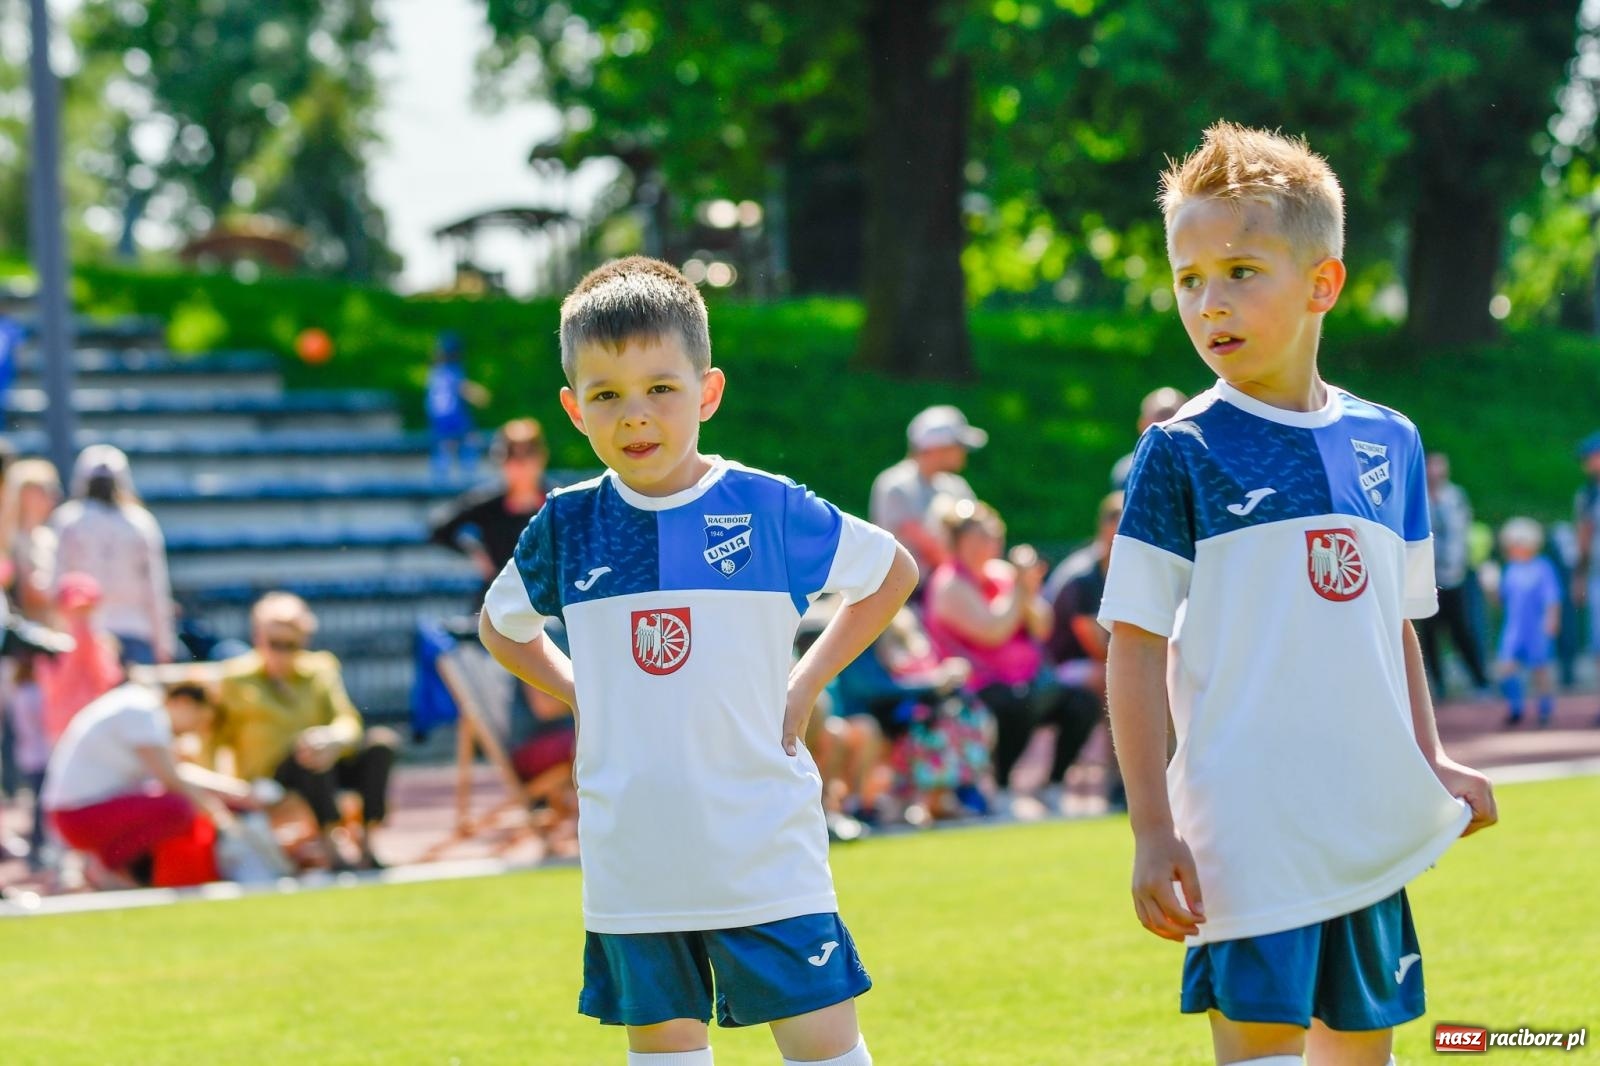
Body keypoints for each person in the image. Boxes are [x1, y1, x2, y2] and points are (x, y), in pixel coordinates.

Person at [1100, 123, 1497, 1066]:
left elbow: (1393, 625)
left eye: (1240, 270)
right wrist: (1153, 830)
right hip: (1241, 831)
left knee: (1367, 1056)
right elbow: (1136, 645)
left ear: (1323, 284)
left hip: (1362, 821)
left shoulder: (1389, 443)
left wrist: (1430, 760)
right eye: (1189, 280)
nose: (1210, 303)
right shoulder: (1179, 449)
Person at [479, 256, 917, 1066]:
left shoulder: (766, 506)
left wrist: (808, 679)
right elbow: (501, 627)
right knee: (668, 1051)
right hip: (634, 853)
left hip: (762, 842)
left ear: (707, 392)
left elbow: (891, 572)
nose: (635, 415)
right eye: (607, 395)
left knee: (824, 1046)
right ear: (575, 410)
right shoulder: (566, 527)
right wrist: (579, 691)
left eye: (660, 388)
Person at [924, 499, 1099, 815]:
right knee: (1015, 705)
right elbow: (993, 630)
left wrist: (1027, 589)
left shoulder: (1002, 574)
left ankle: (1054, 784)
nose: (989, 544)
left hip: (1027, 680)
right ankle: (1002, 787)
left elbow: (1042, 627)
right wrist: (1020, 588)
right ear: (958, 541)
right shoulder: (950, 584)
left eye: (992, 536)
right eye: (979, 537)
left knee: (1081, 703)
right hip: (977, 687)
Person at [213, 592, 397, 871]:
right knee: (309, 750)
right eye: (275, 643)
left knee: (380, 743)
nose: (283, 653)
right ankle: (331, 844)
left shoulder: (320, 668)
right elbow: (214, 736)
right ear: (258, 637)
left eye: (291, 645)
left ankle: (367, 841)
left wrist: (334, 738)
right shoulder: (234, 679)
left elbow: (348, 721)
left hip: (325, 763)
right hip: (271, 777)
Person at [42, 678, 255, 889]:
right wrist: (221, 818)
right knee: (178, 809)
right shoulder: (143, 710)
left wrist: (236, 792)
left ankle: (106, 867)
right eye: (198, 721)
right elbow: (171, 779)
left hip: (79, 814)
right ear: (183, 702)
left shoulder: (142, 708)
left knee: (175, 804)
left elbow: (176, 774)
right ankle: (104, 866)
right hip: (78, 817)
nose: (194, 731)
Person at [50, 444, 175, 664]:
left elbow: (56, 582)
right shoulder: (139, 522)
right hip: (116, 632)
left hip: (91, 633)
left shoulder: (68, 520)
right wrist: (164, 643)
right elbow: (156, 588)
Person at [429, 417, 553, 606]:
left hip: (548, 597)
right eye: (512, 456)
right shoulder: (486, 503)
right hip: (498, 597)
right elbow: (439, 527)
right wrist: (475, 552)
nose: (520, 465)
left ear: (541, 457)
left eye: (527, 454)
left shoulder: (557, 502)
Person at [868, 405, 984, 588]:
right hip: (904, 592)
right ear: (937, 446)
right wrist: (972, 581)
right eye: (958, 445)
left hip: (950, 586)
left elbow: (983, 531)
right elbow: (930, 549)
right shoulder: (895, 485)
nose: (964, 452)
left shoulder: (956, 486)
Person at [1416, 453, 1490, 697]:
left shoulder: (1455, 495)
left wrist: (1469, 562)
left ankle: (1479, 680)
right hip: (1427, 575)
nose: (1436, 471)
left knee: (1463, 630)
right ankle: (1438, 686)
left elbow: (1464, 529)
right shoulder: (1417, 495)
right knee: (1429, 634)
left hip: (1455, 574)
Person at [1492, 517, 1562, 728]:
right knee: (1506, 668)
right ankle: (1516, 709)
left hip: (1536, 627)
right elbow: (1500, 600)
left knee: (1540, 669)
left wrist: (1552, 620)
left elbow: (1552, 598)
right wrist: (1491, 585)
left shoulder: (1543, 567)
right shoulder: (1511, 569)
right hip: (1514, 628)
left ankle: (1545, 709)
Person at [0, 457, 62, 622]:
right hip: (18, 633)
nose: (53, 496)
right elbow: (32, 593)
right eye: (44, 489)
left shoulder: (47, 536)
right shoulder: (9, 541)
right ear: (27, 493)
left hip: (45, 630)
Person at [426, 330, 490, 480]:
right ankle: (468, 473)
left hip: (438, 416)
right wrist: (479, 396)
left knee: (445, 445)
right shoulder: (452, 369)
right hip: (453, 415)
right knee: (468, 440)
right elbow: (461, 388)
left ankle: (441, 474)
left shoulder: (435, 371)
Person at [1110, 386, 1189, 490]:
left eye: (1175, 415)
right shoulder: (1128, 471)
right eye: (1162, 416)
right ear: (1142, 424)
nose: (1168, 424)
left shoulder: (1203, 463)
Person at [1574, 431, 1600, 721]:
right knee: (1598, 642)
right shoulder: (1588, 495)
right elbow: (1583, 537)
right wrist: (1579, 574)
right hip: (1598, 575)